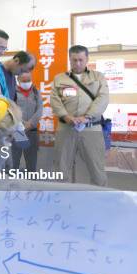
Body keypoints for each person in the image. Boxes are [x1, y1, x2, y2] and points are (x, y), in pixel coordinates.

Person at [51, 45, 109, 186]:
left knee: (97, 169)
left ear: (87, 59)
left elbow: (103, 99)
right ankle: (61, 202)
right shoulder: (59, 79)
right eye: (74, 60)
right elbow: (55, 100)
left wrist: (87, 116)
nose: (77, 63)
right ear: (69, 59)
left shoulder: (98, 77)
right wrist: (66, 116)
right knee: (61, 168)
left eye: (81, 60)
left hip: (91, 128)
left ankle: (98, 202)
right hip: (66, 128)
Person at [11, 72, 42, 171]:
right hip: (18, 131)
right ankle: (12, 184)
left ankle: (32, 183)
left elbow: (40, 109)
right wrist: (22, 124)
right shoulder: (13, 92)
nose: (26, 83)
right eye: (24, 81)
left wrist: (31, 123)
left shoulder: (36, 92)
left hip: (32, 131)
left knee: (31, 162)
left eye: (28, 80)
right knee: (14, 161)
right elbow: (11, 109)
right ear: (18, 80)